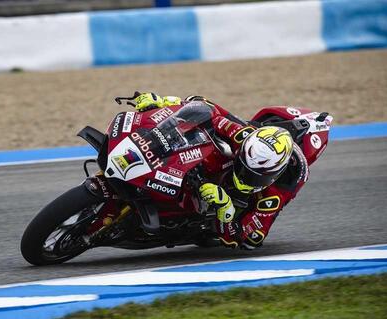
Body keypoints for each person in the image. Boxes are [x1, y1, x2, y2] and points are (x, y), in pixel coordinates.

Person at [131, 92, 309, 250]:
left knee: (223, 231)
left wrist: (226, 207)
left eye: (252, 176)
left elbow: (249, 239)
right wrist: (166, 103)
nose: (242, 178)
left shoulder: (274, 195)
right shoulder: (241, 135)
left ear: (272, 176)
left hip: (237, 205)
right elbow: (207, 109)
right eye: (243, 167)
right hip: (249, 141)